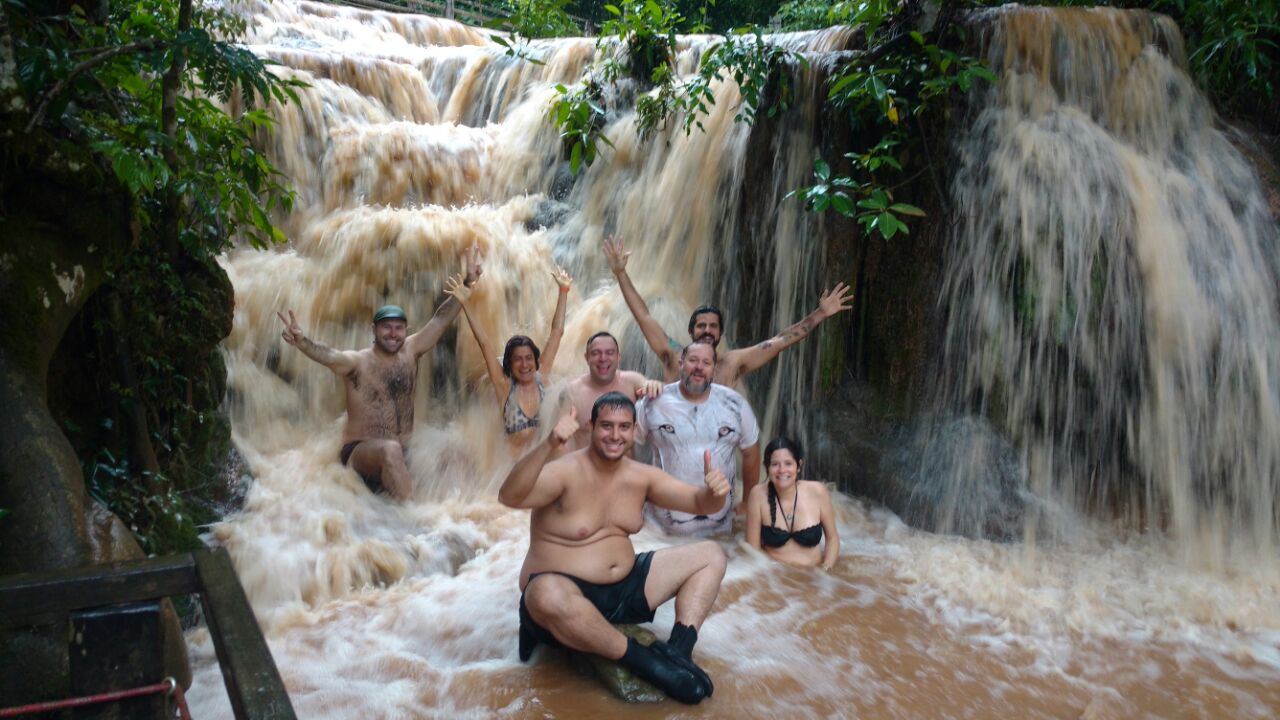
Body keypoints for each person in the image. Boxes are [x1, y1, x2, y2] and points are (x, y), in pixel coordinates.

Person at [503, 392, 730, 705]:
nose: (614, 435)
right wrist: (548, 445)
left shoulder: (642, 476)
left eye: (623, 427)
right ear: (591, 427)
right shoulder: (565, 472)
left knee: (711, 555)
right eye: (606, 426)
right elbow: (509, 496)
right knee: (544, 595)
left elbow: (698, 502)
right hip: (565, 596)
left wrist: (715, 493)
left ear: (634, 431)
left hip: (622, 592)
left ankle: (677, 652)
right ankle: (646, 662)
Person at [276, 242, 482, 500]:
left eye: (398, 328)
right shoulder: (357, 362)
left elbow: (441, 318)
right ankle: (413, 524)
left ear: (406, 330)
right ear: (374, 330)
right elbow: (328, 355)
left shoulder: (412, 350)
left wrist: (468, 284)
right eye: (386, 327)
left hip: (404, 448)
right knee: (390, 450)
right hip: (361, 453)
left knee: (456, 451)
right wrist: (302, 342)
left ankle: (466, 514)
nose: (393, 333)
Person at [603, 235, 854, 386]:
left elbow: (780, 341)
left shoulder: (732, 363)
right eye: (701, 325)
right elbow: (644, 316)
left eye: (713, 326)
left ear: (721, 333)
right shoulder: (672, 354)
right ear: (691, 331)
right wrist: (621, 273)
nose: (707, 330)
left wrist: (820, 314)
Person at [636, 342, 760, 536]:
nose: (699, 367)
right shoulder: (654, 402)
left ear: (714, 368)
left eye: (706, 362)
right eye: (693, 360)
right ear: (680, 363)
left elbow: (751, 452)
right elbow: (625, 446)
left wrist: (747, 503)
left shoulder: (734, 404)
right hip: (661, 531)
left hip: (720, 530)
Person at [443, 265, 571, 447]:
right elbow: (484, 343)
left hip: (545, 464)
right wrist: (465, 304)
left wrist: (563, 291)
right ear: (509, 364)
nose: (524, 364)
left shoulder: (542, 376)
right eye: (517, 359)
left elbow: (557, 332)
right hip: (514, 469)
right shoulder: (503, 386)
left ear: (536, 362)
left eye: (528, 358)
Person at [745, 437, 839, 569]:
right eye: (775, 464)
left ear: (798, 466)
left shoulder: (817, 491)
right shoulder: (758, 495)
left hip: (815, 578)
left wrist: (826, 570)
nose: (782, 470)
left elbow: (832, 538)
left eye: (788, 463)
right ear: (767, 467)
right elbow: (752, 549)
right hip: (776, 579)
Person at [564, 331, 663, 449]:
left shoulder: (632, 382)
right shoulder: (572, 392)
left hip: (627, 465)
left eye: (609, 353)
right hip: (587, 466)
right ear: (587, 358)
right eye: (596, 353)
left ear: (618, 357)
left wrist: (655, 386)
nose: (603, 358)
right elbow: (562, 442)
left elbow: (659, 392)